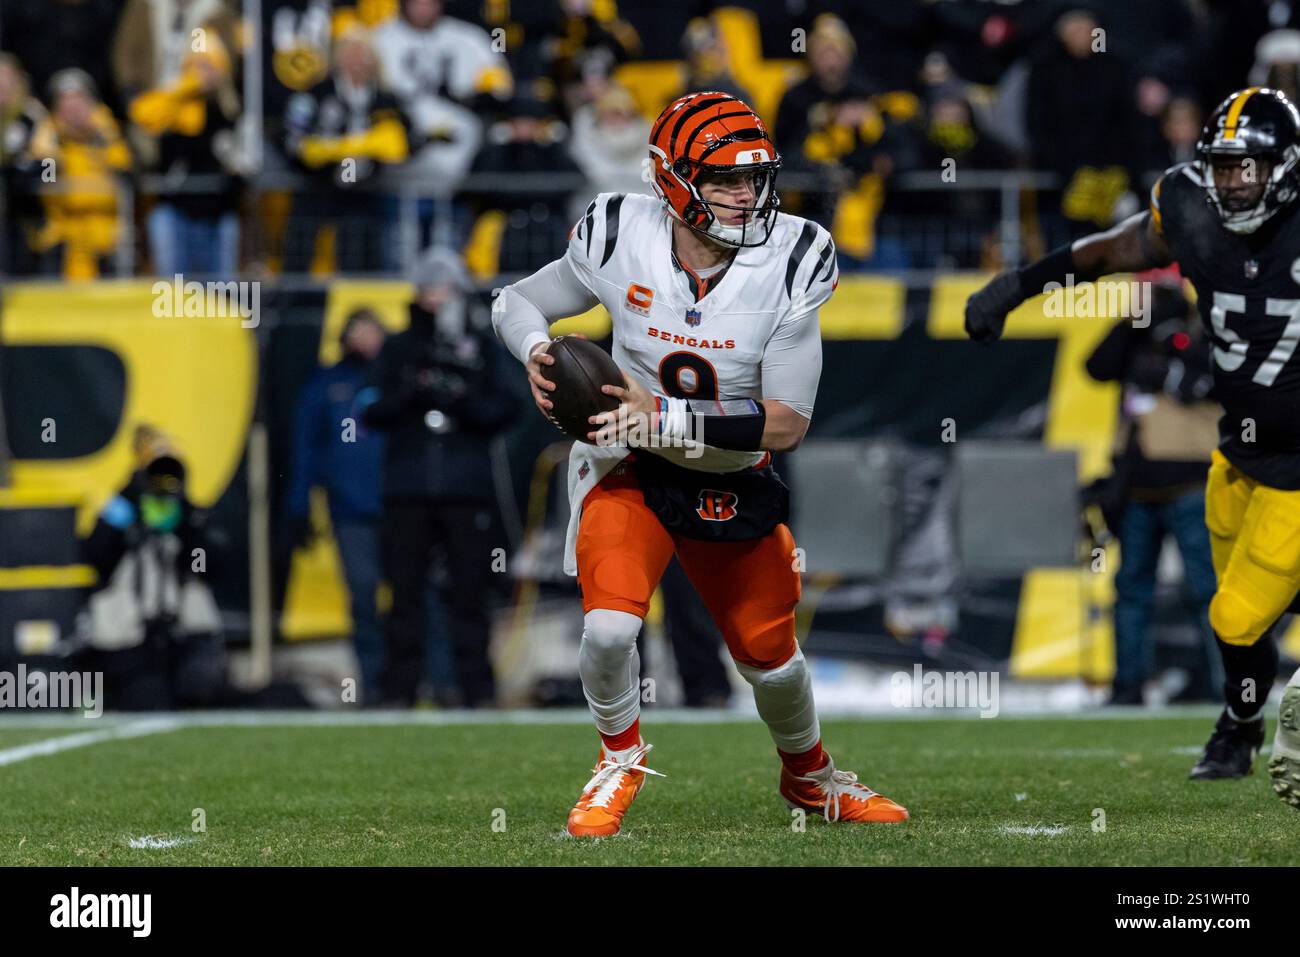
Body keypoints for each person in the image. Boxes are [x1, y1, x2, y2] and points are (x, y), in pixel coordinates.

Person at [493, 90, 908, 837]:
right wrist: (535, 352)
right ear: (673, 178)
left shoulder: (794, 256)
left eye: (753, 178)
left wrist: (667, 414)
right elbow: (515, 301)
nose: (745, 195)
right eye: (723, 179)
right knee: (612, 631)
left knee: (772, 660)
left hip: (728, 469)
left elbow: (786, 424)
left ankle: (811, 777)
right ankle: (617, 759)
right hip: (628, 465)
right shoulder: (621, 231)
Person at [964, 87, 1300, 805]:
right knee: (1241, 614)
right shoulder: (1190, 208)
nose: (1235, 182)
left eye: (1252, 168)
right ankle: (1241, 724)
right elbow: (1111, 251)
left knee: (1236, 613)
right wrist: (1020, 285)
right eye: (1225, 167)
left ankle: (1243, 725)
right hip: (1235, 453)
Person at [361, 247, 518, 707]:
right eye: (429, 286)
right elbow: (371, 409)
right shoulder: (398, 346)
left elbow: (507, 408)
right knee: (404, 593)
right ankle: (398, 692)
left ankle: (476, 691)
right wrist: (414, 388)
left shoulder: (482, 347)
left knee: (470, 593)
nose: (436, 296)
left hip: (465, 489)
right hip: (408, 488)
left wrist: (462, 397)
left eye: (445, 286)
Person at [1083, 283, 1220, 705]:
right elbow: (1096, 366)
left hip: (1192, 480)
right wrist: (1131, 322)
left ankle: (1226, 686)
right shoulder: (1136, 336)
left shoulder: (1209, 327)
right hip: (1138, 486)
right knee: (1132, 589)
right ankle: (1128, 687)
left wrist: (1175, 352)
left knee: (1206, 590)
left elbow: (1221, 381)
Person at [287, 309, 389, 705]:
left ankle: (414, 685)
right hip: (350, 510)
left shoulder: (393, 378)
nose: (366, 339)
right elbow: (307, 448)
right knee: (363, 598)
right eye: (358, 330)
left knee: (413, 599)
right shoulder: (326, 384)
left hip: (400, 505)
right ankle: (373, 685)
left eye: (373, 330)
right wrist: (299, 505)